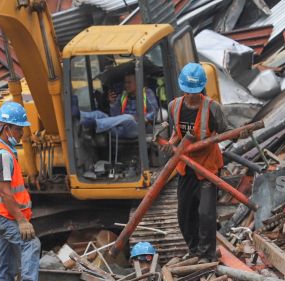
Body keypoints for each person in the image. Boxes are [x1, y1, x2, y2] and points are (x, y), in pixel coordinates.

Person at [163, 63, 241, 264]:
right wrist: (171, 143)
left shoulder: (213, 108)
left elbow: (224, 131)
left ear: (201, 89)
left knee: (206, 213)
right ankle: (194, 250)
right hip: (185, 166)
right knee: (184, 213)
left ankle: (206, 254)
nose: (191, 96)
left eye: (195, 92)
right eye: (188, 92)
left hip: (207, 166)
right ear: (183, 89)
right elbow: (176, 133)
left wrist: (237, 134)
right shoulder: (174, 106)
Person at [0, 101, 52, 281]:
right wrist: (22, 221)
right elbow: (6, 193)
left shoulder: (4, 150)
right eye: (19, 128)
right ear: (7, 128)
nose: (22, 133)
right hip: (4, 215)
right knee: (32, 243)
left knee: (7, 263)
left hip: (2, 214)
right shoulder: (3, 155)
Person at [80, 73, 159, 139]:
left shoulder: (147, 93)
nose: (126, 85)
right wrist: (113, 103)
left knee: (128, 118)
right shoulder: (123, 95)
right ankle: (79, 115)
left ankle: (95, 124)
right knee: (99, 114)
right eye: (125, 82)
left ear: (138, 82)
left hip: (137, 129)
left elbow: (154, 112)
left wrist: (142, 118)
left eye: (129, 82)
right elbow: (115, 116)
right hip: (119, 129)